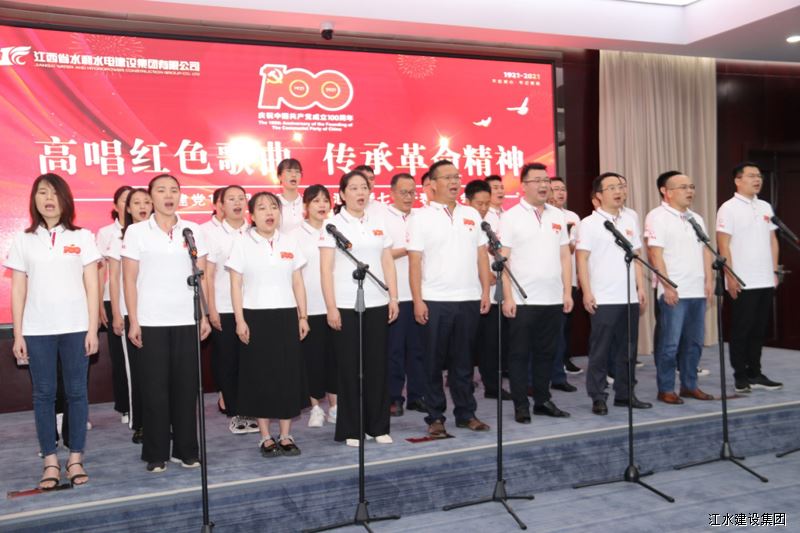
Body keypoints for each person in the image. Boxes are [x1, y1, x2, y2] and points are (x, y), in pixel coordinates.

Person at [6, 173, 101, 489]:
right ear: (34, 199)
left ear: (65, 200)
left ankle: (75, 458)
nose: (48, 199)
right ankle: (49, 460)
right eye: (42, 193)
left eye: (54, 193)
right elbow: (18, 290)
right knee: (43, 394)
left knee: (77, 393)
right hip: (37, 330)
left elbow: (92, 285)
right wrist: (18, 334)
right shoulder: (24, 240)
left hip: (76, 328)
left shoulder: (82, 237)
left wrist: (92, 329)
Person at [122, 174, 211, 472]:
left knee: (186, 389)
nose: (168, 195)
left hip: (186, 318)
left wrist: (204, 315)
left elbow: (202, 277)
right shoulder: (137, 232)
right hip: (151, 320)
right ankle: (156, 452)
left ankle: (186, 449)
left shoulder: (192, 230)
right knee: (155, 390)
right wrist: (134, 320)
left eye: (174, 190)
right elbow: (129, 279)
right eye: (161, 190)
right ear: (151, 197)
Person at [408, 160, 492, 438]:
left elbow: (482, 256)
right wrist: (418, 300)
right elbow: (415, 262)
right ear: (432, 184)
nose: (454, 182)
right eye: (447, 177)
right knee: (433, 362)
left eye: (456, 176)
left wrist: (484, 291)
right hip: (435, 299)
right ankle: (435, 417)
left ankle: (466, 413)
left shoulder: (472, 214)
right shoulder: (420, 217)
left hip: (468, 297)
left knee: (464, 362)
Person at [228, 191, 310, 457]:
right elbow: (236, 284)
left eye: (273, 207)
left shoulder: (289, 241)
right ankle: (265, 436)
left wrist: (303, 316)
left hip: (286, 315)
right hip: (255, 316)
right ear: (252, 215)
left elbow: (297, 281)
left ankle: (286, 435)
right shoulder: (242, 243)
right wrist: (240, 320)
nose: (269, 212)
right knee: (260, 376)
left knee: (287, 375)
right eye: (262, 208)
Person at [320, 170, 399, 447]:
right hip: (345, 304)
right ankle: (352, 429)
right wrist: (331, 307)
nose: (360, 192)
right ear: (342, 194)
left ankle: (377, 426)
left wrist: (393, 298)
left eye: (363, 187)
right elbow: (326, 270)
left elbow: (387, 262)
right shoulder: (332, 225)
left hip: (377, 302)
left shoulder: (378, 223)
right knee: (350, 368)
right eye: (353, 188)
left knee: (377, 366)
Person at [500, 163, 573, 423]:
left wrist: (567, 291)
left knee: (546, 353)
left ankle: (542, 400)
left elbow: (565, 256)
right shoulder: (510, 217)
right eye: (537, 180)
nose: (544, 185)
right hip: (522, 299)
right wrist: (508, 297)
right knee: (520, 355)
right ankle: (521, 405)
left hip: (552, 297)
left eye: (546, 180)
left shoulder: (557, 216)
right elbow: (503, 260)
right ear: (524, 185)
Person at [576, 172, 652, 415]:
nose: (618, 191)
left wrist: (640, 287)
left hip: (628, 296)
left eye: (620, 186)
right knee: (600, 351)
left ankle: (625, 394)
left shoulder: (630, 218)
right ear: (598, 195)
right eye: (611, 188)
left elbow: (636, 255)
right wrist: (587, 292)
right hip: (603, 297)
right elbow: (582, 259)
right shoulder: (589, 223)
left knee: (627, 350)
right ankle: (598, 396)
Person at [645, 171, 715, 404]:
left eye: (691, 186)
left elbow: (706, 250)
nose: (689, 191)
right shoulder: (657, 216)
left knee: (694, 343)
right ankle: (666, 388)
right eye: (683, 187)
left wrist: (709, 280)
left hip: (697, 289)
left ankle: (689, 385)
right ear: (666, 192)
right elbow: (655, 254)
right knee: (670, 344)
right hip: (674, 291)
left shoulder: (696, 218)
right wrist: (667, 286)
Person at [716, 162, 783, 392]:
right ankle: (740, 375)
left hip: (765, 278)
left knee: (758, 329)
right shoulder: (728, 208)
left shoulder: (765, 206)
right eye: (752, 175)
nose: (757, 180)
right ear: (738, 180)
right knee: (741, 329)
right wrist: (730, 276)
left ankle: (755, 372)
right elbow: (723, 244)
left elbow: (773, 240)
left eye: (759, 176)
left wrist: (774, 271)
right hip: (742, 279)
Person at [206, 185, 256, 435]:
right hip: (225, 307)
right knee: (228, 360)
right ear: (221, 205)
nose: (237, 203)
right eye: (231, 199)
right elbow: (208, 275)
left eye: (241, 198)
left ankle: (252, 408)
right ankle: (236, 412)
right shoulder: (212, 234)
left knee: (251, 362)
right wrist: (211, 309)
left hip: (253, 305)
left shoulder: (255, 232)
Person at [107, 188, 153, 444]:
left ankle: (162, 420)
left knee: (158, 373)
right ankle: (141, 423)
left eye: (147, 202)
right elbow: (114, 279)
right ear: (127, 208)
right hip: (130, 314)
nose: (143, 207)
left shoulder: (159, 236)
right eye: (136, 203)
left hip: (158, 315)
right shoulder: (119, 239)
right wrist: (116, 313)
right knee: (136, 371)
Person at [293, 185, 338, 427]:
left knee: (335, 359)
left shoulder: (336, 230)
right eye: (316, 201)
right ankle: (315, 408)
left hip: (335, 305)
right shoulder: (294, 235)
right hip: (309, 307)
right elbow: (294, 276)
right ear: (305, 206)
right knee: (312, 361)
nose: (322, 205)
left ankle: (335, 406)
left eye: (325, 200)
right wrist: (300, 311)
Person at [384, 173, 427, 417]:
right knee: (395, 350)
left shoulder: (422, 217)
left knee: (419, 349)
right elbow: (382, 254)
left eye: (412, 192)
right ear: (392, 193)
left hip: (421, 293)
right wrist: (409, 249)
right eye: (403, 192)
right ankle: (394, 397)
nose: (409, 197)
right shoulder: (382, 218)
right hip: (395, 293)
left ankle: (417, 395)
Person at [464, 179, 510, 400]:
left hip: (492, 295)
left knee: (491, 343)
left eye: (486, 203)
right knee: (465, 344)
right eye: (478, 204)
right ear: (468, 202)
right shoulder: (461, 222)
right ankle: (463, 384)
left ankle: (492, 386)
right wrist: (482, 276)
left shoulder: (492, 223)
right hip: (467, 294)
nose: (483, 208)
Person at [96, 185, 133, 424]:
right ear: (116, 205)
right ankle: (125, 405)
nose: (130, 204)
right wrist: (100, 302)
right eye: (125, 200)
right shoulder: (106, 233)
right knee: (120, 356)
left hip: (140, 301)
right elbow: (101, 270)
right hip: (114, 300)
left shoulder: (143, 230)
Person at [548, 177, 583, 382]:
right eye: (555, 189)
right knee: (555, 327)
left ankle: (564, 359)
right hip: (552, 279)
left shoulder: (573, 217)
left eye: (563, 189)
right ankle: (555, 367)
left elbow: (576, 249)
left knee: (567, 325)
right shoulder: (545, 216)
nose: (560, 193)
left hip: (570, 279)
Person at [277, 158, 305, 234]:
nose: (294, 175)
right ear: (279, 176)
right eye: (289, 171)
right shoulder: (274, 204)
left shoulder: (307, 203)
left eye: (297, 172)